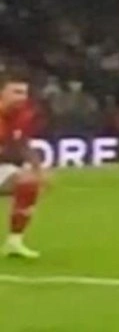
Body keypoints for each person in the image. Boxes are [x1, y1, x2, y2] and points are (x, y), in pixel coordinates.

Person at [0, 72, 47, 259]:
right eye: (16, 92)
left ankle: (14, 242)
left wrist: (39, 170)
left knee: (29, 182)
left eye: (24, 93)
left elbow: (23, 143)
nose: (22, 97)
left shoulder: (24, 114)